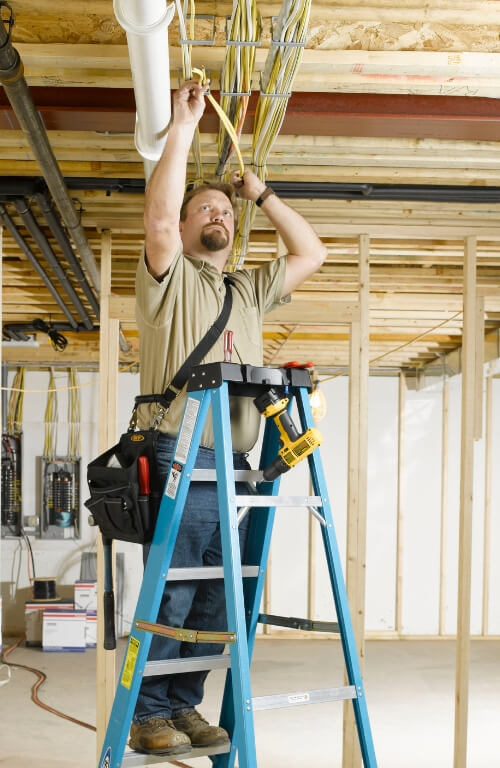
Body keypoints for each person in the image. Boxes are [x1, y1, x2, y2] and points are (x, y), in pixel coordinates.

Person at [130, 79, 327, 756]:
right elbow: (156, 220)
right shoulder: (170, 277)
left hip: (239, 467)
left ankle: (182, 705)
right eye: (203, 209)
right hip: (179, 453)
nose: (216, 214)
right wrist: (182, 128)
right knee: (178, 593)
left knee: (217, 597)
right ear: (185, 229)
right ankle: (148, 711)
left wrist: (262, 196)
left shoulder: (246, 286)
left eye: (223, 210)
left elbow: (311, 253)